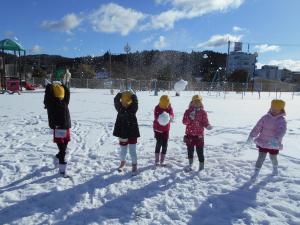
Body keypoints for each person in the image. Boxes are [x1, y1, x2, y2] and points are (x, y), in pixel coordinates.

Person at [247, 99, 287, 178]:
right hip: (263, 142)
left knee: (273, 158)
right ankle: (256, 172)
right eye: (273, 109)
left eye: (277, 109)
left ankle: (275, 168)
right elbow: (257, 127)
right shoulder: (265, 118)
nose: (274, 111)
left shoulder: (281, 120)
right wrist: (252, 136)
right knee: (261, 157)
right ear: (270, 107)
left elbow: (282, 131)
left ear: (281, 109)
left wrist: (276, 139)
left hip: (273, 143)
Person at [44, 82, 71, 175]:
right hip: (58, 128)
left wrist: (63, 84)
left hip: (66, 127)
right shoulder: (50, 103)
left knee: (64, 147)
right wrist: (49, 86)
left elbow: (68, 93)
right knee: (63, 150)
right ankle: (62, 170)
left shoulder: (65, 101)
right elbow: (48, 96)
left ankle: (57, 157)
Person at [113, 90, 140, 176]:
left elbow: (135, 102)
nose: (124, 103)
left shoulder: (132, 109)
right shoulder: (120, 108)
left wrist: (131, 95)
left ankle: (134, 165)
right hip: (122, 132)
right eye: (123, 101)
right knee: (123, 150)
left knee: (132, 151)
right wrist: (121, 94)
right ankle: (122, 163)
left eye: (126, 102)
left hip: (132, 133)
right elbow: (116, 101)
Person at [182, 95, 212, 172]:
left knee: (200, 151)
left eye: (198, 101)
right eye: (195, 101)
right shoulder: (188, 111)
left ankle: (201, 167)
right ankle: (190, 164)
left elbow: (205, 122)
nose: (197, 103)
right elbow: (184, 122)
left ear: (201, 102)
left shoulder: (203, 112)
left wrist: (207, 126)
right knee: (190, 150)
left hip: (199, 136)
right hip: (190, 135)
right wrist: (189, 118)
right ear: (192, 102)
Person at [153, 95, 174, 166]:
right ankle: (157, 160)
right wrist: (161, 118)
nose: (164, 106)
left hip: (166, 130)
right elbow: (156, 117)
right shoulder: (157, 108)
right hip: (157, 129)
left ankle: (162, 160)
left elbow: (172, 114)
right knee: (159, 143)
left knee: (165, 144)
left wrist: (170, 117)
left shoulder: (169, 107)